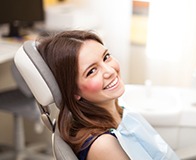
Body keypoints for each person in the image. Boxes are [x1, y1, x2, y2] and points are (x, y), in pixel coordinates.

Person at [36, 30, 179, 160]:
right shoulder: (103, 145)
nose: (110, 71)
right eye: (92, 71)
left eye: (106, 57)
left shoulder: (119, 111)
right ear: (74, 92)